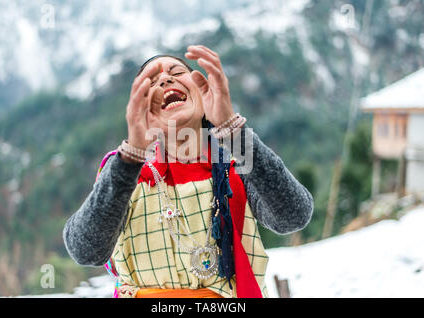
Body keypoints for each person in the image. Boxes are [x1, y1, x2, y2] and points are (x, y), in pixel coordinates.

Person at [63, 45, 314, 298]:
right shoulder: (127, 176)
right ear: (142, 109)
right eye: (151, 82)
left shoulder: (237, 168)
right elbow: (86, 250)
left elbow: (293, 216)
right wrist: (132, 154)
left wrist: (231, 129)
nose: (164, 78)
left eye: (177, 72)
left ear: (202, 92)